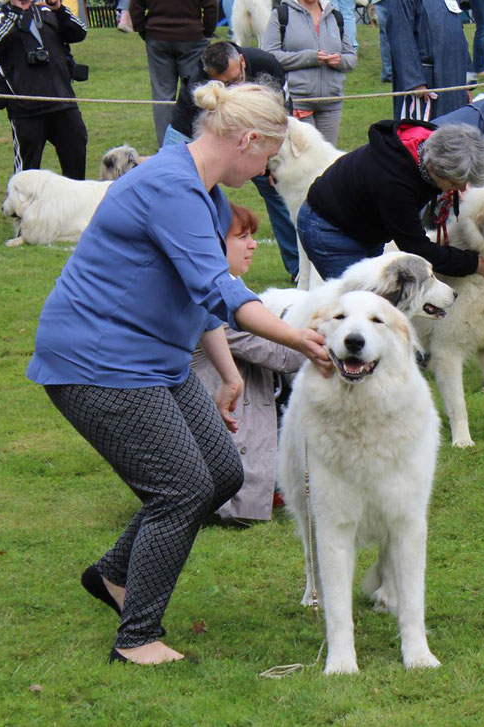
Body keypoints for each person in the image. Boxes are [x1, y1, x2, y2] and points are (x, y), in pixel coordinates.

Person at [26, 81, 331, 666]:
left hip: (154, 361)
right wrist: (299, 338)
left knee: (221, 472)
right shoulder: (170, 187)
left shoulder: (204, 192)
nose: (269, 167)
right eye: (269, 155)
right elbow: (222, 287)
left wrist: (229, 374)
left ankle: (116, 575)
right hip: (97, 362)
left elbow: (201, 293)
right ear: (247, 140)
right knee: (181, 488)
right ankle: (136, 638)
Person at [191, 203, 304, 525]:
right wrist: (336, 333)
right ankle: (236, 499)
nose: (253, 244)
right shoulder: (215, 298)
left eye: (252, 236)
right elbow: (281, 355)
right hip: (221, 418)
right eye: (242, 237)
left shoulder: (226, 289)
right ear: (211, 244)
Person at [297, 121, 484, 281]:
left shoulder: (432, 143)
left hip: (365, 225)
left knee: (378, 303)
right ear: (435, 171)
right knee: (361, 306)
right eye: (455, 183)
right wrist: (474, 264)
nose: (461, 190)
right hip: (328, 230)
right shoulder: (395, 185)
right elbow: (417, 247)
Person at [164, 40, 300, 279]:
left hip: (256, 133)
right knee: (178, 191)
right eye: (224, 84)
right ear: (209, 75)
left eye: (235, 80)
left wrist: (272, 163)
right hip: (193, 130)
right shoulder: (200, 83)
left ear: (242, 61)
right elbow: (210, 139)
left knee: (276, 190)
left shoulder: (267, 65)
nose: (231, 88)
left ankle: (297, 268)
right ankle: (193, 265)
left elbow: (280, 116)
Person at [0, 0, 88, 178]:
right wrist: (17, 13)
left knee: (76, 171)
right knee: (25, 177)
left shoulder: (47, 10)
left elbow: (80, 32)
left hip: (63, 102)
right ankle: (19, 207)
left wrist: (59, 8)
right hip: (26, 109)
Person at [262, 0, 357, 146]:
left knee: (328, 162)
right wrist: (308, 58)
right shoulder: (281, 14)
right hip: (297, 102)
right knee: (302, 161)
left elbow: (351, 58)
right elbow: (269, 56)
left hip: (331, 103)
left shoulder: (335, 16)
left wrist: (340, 60)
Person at [129, 0, 218, 148]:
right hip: (192, 37)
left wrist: (143, 30)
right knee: (195, 92)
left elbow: (135, 6)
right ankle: (196, 145)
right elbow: (211, 5)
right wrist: (207, 32)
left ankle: (166, 147)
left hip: (158, 37)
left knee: (162, 94)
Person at [385, 0, 470, 121]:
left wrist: (466, 82)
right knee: (425, 134)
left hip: (454, 75)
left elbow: (457, 32)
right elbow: (400, 35)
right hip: (426, 79)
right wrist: (415, 81)